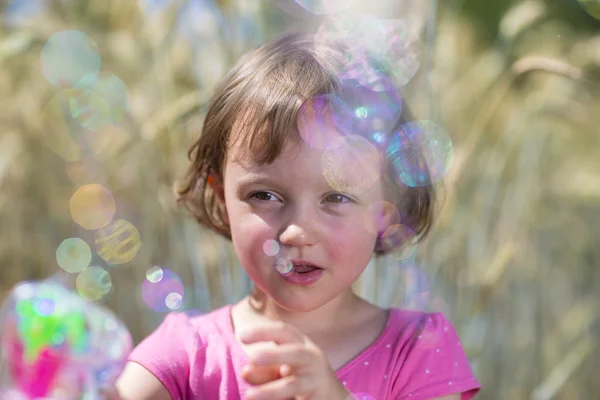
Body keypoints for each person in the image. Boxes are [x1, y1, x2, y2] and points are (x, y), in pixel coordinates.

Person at [111, 32, 482, 400]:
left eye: (336, 197)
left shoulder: (418, 349)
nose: (297, 232)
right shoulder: (185, 355)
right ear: (222, 198)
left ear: (385, 216)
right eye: (265, 195)